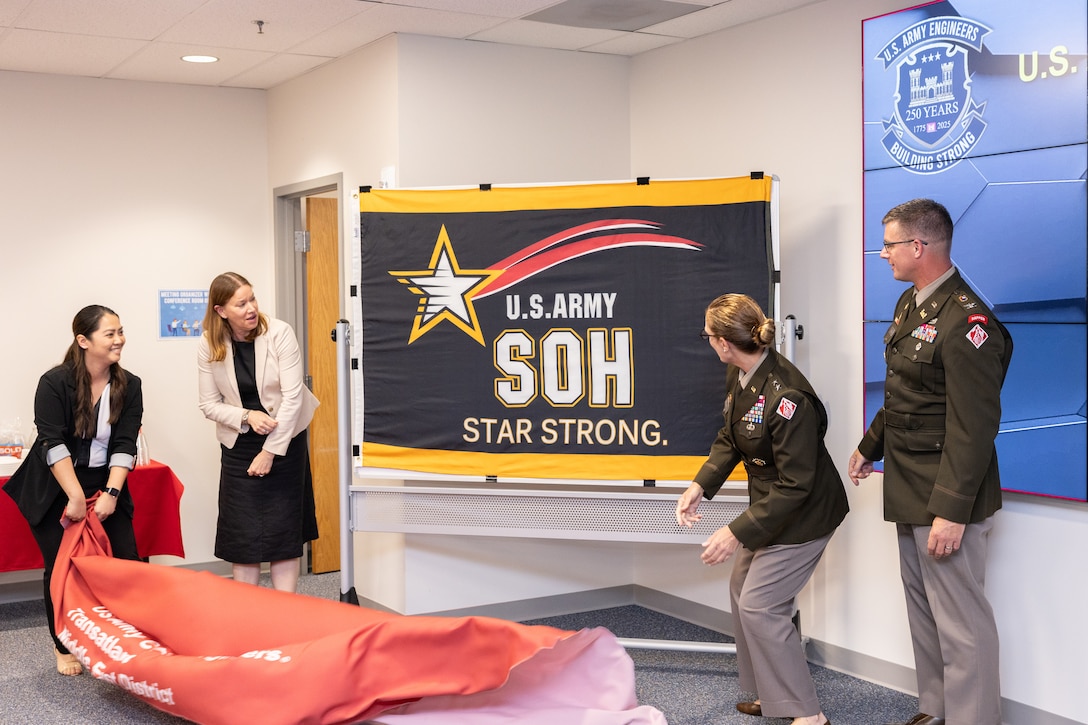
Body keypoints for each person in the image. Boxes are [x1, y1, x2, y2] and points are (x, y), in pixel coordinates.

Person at [848, 199, 1012, 725]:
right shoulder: (910, 304)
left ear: (918, 247)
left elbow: (974, 426)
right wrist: (870, 446)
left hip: (945, 491)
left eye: (890, 244)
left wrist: (952, 510)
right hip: (907, 483)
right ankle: (935, 709)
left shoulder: (968, 321)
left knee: (961, 621)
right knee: (924, 611)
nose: (884, 254)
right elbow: (904, 395)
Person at [675, 293, 847, 725]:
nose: (709, 342)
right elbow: (731, 436)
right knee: (741, 590)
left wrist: (734, 532)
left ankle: (808, 715)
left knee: (760, 605)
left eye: (708, 335)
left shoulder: (787, 396)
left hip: (805, 513)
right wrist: (701, 484)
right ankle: (774, 698)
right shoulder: (743, 373)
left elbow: (797, 486)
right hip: (774, 506)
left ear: (723, 342)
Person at [2, 305, 143, 676]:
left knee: (127, 557)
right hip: (54, 483)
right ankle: (62, 643)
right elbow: (52, 443)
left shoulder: (130, 384)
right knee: (62, 565)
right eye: (110, 334)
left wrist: (111, 495)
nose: (119, 340)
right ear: (84, 341)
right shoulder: (54, 382)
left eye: (120, 331)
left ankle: (127, 635)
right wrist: (76, 498)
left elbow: (125, 443)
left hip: (104, 481)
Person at [197, 272, 319, 592]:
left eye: (253, 298)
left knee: (283, 527)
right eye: (241, 303)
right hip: (239, 441)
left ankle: (286, 607)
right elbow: (209, 405)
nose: (251, 308)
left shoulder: (279, 332)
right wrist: (247, 415)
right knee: (243, 531)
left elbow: (293, 397)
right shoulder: (209, 342)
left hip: (285, 438)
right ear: (221, 311)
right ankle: (248, 609)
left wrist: (270, 451)